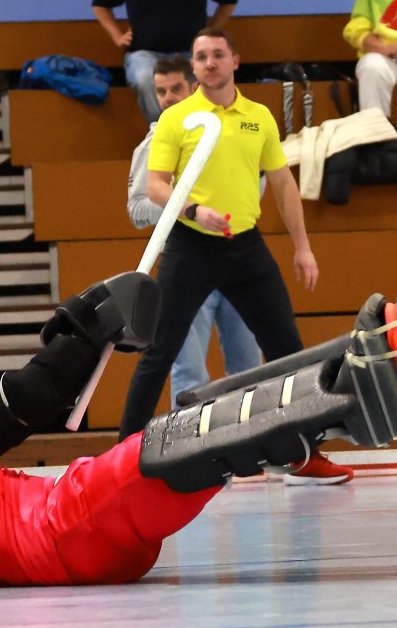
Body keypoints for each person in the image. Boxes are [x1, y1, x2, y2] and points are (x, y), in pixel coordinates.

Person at [0, 273, 397, 587]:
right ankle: (362, 402)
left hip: (92, 560)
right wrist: (88, 328)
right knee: (185, 440)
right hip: (65, 519)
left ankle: (349, 362)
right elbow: (26, 402)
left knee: (204, 420)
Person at [120, 27, 352, 485]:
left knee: (289, 353)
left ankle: (303, 456)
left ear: (235, 61)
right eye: (201, 56)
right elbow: (155, 185)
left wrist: (302, 246)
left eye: (217, 55)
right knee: (159, 353)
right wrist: (193, 210)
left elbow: (283, 184)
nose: (209, 63)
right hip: (192, 249)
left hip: (246, 247)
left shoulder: (259, 116)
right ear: (194, 66)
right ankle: (122, 461)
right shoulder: (178, 119)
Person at [127, 55, 262, 407]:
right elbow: (137, 210)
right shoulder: (154, 143)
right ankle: (187, 456)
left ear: (195, 88)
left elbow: (257, 192)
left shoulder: (233, 131)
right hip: (186, 262)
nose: (168, 98)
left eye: (176, 89)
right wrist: (187, 207)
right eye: (161, 91)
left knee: (250, 367)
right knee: (188, 372)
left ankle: (251, 447)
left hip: (236, 259)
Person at [91, 0, 238, 123]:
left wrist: (210, 33)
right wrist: (116, 35)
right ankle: (163, 133)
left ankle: (201, 135)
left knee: (209, 74)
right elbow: (100, 2)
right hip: (144, 53)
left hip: (190, 54)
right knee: (145, 79)